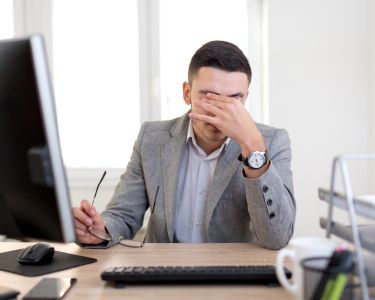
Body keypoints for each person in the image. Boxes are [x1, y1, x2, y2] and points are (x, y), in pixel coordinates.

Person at [72, 40, 296, 250]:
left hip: (231, 279)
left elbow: (277, 237)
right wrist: (100, 231)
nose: (221, 111)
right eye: (210, 97)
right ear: (187, 93)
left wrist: (252, 147)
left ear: (246, 97)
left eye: (234, 99)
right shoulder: (151, 138)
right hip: (163, 275)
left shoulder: (271, 142)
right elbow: (123, 215)